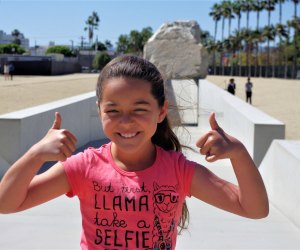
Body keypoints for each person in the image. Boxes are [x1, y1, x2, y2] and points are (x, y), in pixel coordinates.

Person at [0, 56, 269, 249]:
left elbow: (254, 209)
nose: (126, 121)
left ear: (161, 111)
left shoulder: (178, 171)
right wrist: (35, 154)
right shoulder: (83, 167)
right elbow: (7, 203)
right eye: (113, 110)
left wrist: (239, 154)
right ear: (99, 111)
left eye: (140, 109)